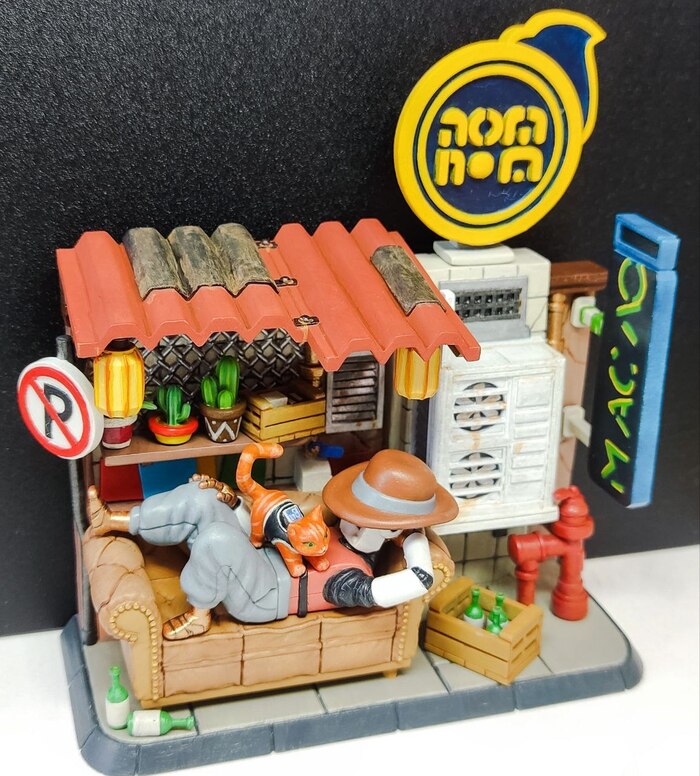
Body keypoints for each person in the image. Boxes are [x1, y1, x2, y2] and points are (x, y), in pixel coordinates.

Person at [87, 449, 458, 640]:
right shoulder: (334, 525)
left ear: (391, 531)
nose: (355, 522)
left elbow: (420, 580)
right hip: (258, 558)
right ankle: (117, 521)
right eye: (355, 511)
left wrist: (414, 536)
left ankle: (199, 615)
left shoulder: (353, 581)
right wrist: (235, 505)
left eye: (369, 520)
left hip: (264, 596)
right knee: (203, 497)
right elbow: (277, 530)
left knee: (216, 540)